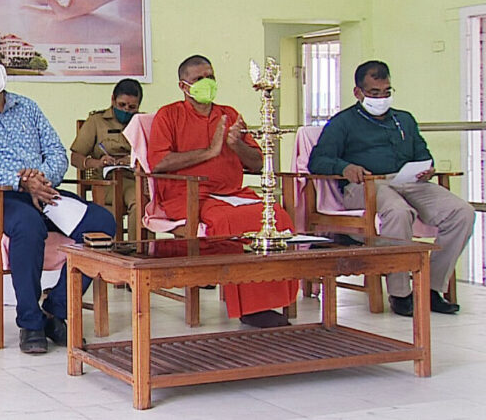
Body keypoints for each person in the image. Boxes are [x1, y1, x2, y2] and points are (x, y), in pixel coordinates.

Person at [0, 40, 116, 354]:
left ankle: (57, 308)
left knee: (102, 223)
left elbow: (56, 153)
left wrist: (42, 180)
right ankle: (30, 323)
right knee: (27, 225)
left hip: (42, 192)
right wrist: (20, 182)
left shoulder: (28, 107)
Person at [308, 60, 474, 317]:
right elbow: (317, 161)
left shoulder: (404, 120)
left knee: (462, 212)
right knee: (398, 212)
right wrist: (344, 167)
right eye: (374, 93)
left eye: (386, 91)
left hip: (409, 181)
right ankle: (400, 294)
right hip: (365, 185)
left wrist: (427, 168)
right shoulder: (342, 123)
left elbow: (422, 153)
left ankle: (430, 287)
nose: (381, 98)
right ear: (358, 92)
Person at [147, 54, 298, 328]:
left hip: (233, 193)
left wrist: (236, 144)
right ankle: (251, 308)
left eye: (210, 77)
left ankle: (274, 300)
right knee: (230, 224)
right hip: (191, 197)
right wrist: (209, 152)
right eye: (198, 79)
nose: (207, 83)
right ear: (183, 86)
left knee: (277, 217)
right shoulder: (168, 115)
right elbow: (158, 162)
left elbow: (258, 162)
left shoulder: (228, 114)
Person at [70, 78, 142, 238]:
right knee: (110, 211)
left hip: (132, 179)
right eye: (121, 105)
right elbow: (75, 157)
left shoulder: (141, 122)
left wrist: (131, 160)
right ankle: (114, 255)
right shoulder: (97, 121)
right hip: (105, 182)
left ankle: (137, 251)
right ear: (113, 100)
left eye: (132, 107)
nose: (126, 110)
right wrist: (97, 162)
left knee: (141, 204)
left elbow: (153, 155)